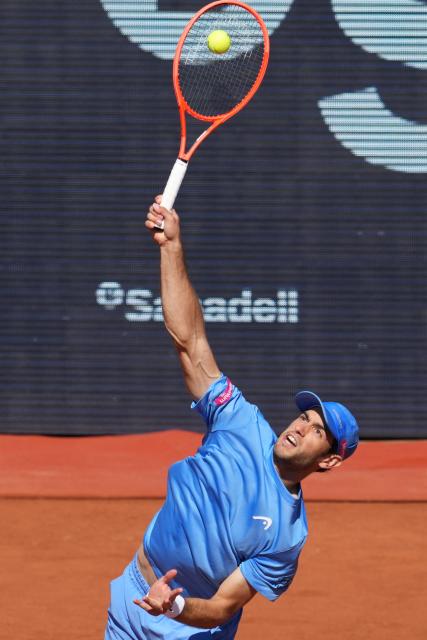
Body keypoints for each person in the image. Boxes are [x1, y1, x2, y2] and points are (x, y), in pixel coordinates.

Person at [104, 197, 359, 640]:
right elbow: (190, 342)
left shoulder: (286, 536)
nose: (300, 427)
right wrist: (171, 247)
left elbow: (223, 606)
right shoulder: (239, 420)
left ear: (329, 461)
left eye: (318, 431)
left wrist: (175, 605)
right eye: (304, 417)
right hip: (129, 598)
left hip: (186, 631)